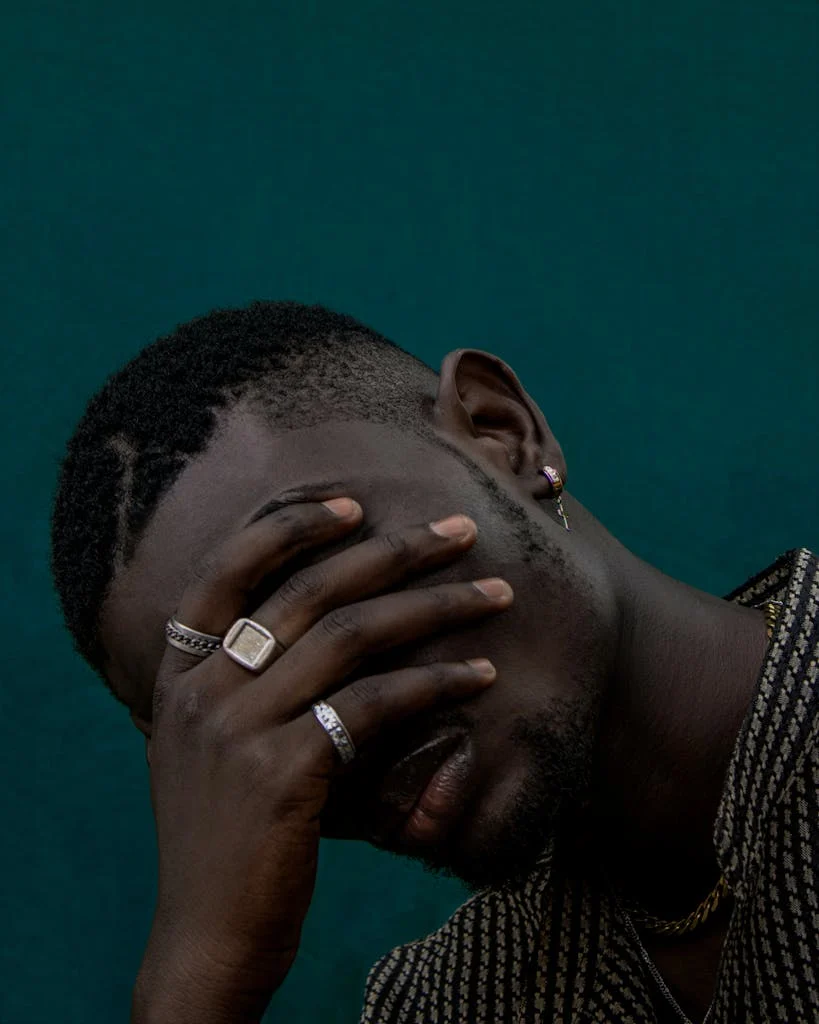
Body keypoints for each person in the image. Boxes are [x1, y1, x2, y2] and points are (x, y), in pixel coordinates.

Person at [50, 301, 819, 1024]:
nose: (333, 710)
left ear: (502, 433)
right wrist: (198, 976)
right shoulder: (450, 1000)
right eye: (236, 694)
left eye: (319, 582)